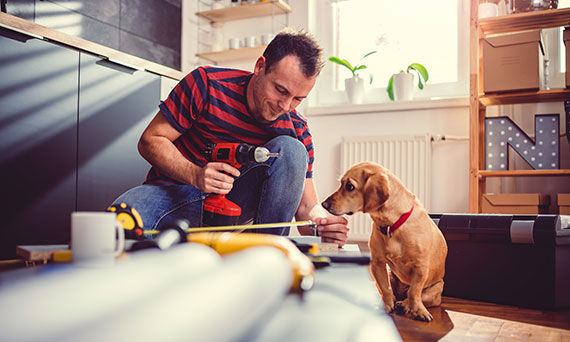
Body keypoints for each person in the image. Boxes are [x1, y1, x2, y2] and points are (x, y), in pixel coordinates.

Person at [112, 28, 349, 246]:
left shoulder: (296, 127)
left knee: (292, 150)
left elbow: (307, 206)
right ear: (260, 67)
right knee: (118, 223)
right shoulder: (207, 84)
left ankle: (265, 254)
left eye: (298, 99)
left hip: (235, 210)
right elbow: (150, 140)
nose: (285, 106)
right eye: (280, 90)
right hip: (173, 194)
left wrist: (322, 225)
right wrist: (195, 175)